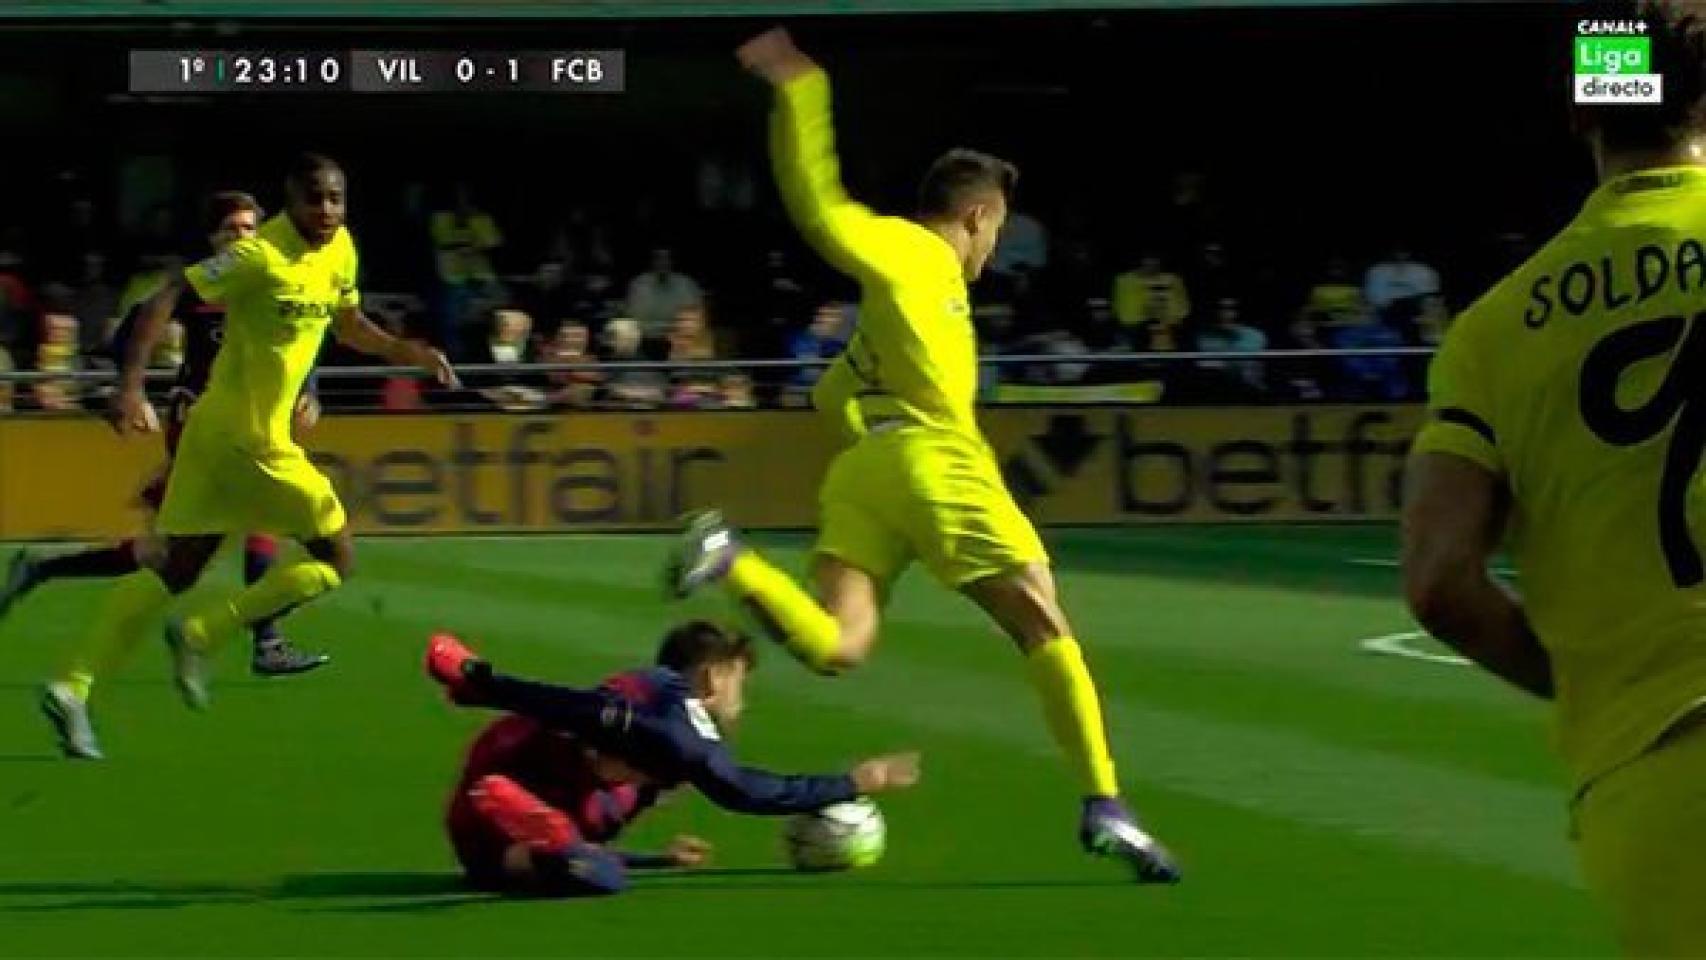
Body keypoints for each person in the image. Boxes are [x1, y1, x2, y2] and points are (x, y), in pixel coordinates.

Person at [667, 28, 1178, 883]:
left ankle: (734, 559)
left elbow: (832, 395)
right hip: (936, 461)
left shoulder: (909, 305)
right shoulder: (914, 254)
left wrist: (880, 453)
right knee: (1045, 626)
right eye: (997, 229)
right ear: (977, 215)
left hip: (872, 471)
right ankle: (1106, 805)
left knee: (839, 646)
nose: (995, 249)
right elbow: (823, 209)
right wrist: (802, 89)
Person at [1401, 4, 1706, 953]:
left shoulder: (1493, 331)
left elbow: (1440, 582)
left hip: (1658, 775)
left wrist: (1587, 678)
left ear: (1582, 117)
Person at [60, 153, 456, 759]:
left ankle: (74, 686)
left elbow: (348, 325)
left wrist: (411, 352)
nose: (325, 211)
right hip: (254, 441)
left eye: (335, 199)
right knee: (336, 558)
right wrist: (132, 385)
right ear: (289, 202)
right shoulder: (256, 255)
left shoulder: (341, 247)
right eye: (313, 200)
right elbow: (163, 298)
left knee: (177, 567)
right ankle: (207, 632)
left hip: (212, 436)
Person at [2, 192, 329, 725]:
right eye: (230, 229)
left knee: (167, 558)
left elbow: (303, 338)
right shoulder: (204, 286)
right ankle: (261, 640)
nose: (242, 237)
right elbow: (135, 326)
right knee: (261, 522)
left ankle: (44, 577)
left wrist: (310, 387)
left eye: (250, 227)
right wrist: (131, 388)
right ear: (213, 239)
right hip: (203, 429)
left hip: (243, 428)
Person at [428, 623, 921, 896]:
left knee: (593, 867)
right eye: (738, 682)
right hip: (511, 772)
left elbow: (580, 711)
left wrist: (659, 858)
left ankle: (543, 836)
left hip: (482, 825)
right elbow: (746, 790)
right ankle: (544, 832)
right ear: (711, 678)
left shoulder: (657, 718)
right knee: (599, 872)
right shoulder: (677, 727)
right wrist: (857, 780)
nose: (742, 702)